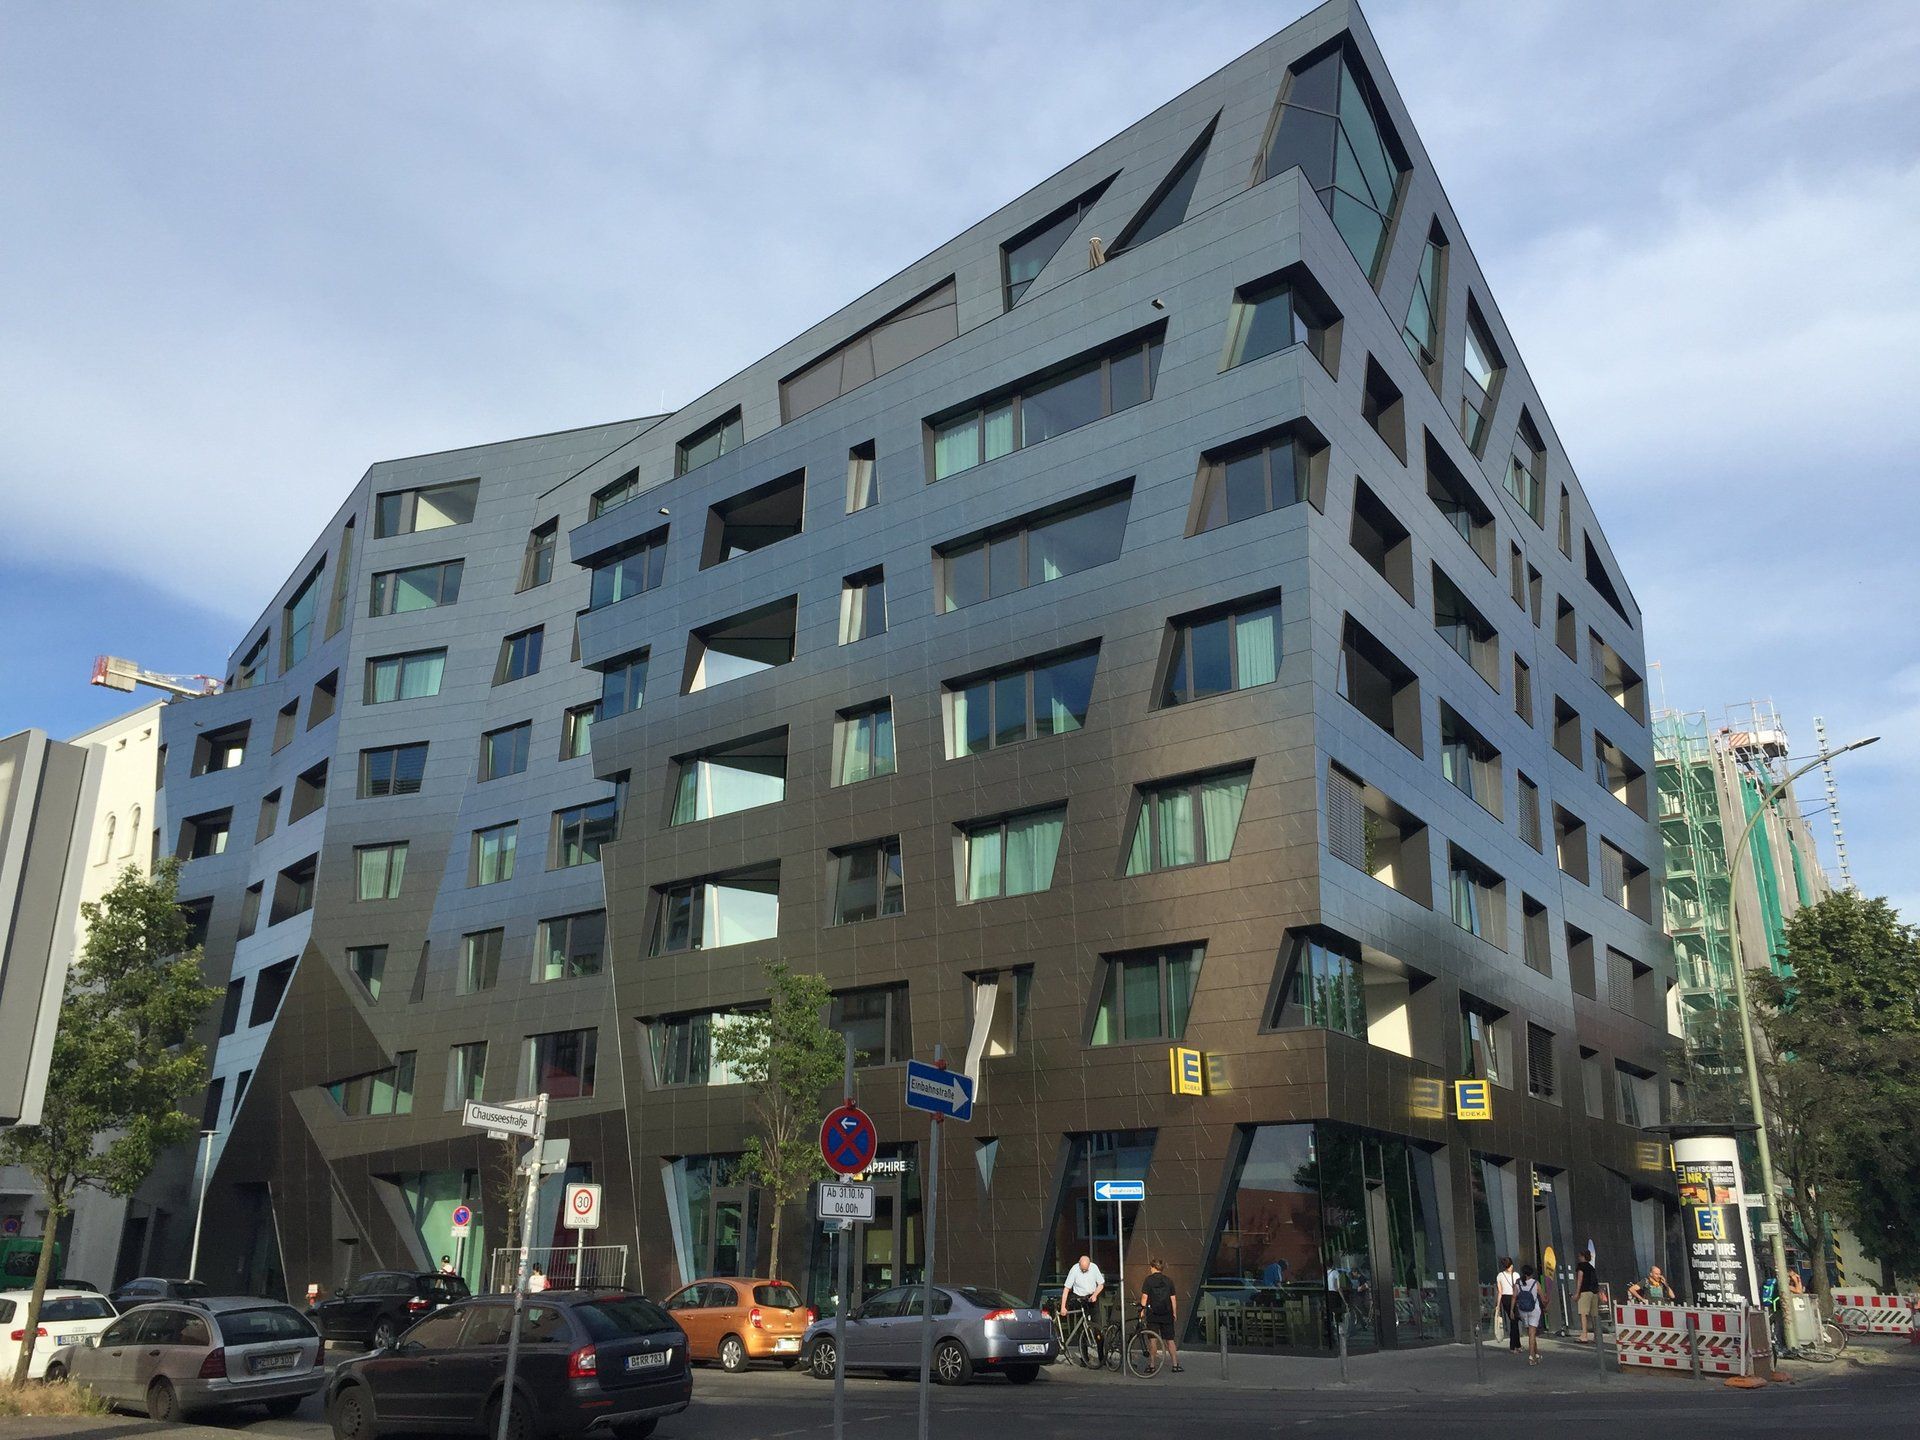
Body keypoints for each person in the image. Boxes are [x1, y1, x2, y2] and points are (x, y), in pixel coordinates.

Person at [1061, 1254, 1106, 1365]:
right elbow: (1066, 1289)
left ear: (1089, 1264)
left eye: (1086, 1269)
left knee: (1097, 1327)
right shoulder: (1074, 1269)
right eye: (1083, 1269)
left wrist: (1095, 1294)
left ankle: (1102, 1357)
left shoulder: (1094, 1267)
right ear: (1079, 1264)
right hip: (1079, 1298)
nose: (1084, 1270)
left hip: (1092, 1297)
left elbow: (1101, 1284)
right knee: (1082, 1329)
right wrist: (1063, 1306)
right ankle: (1084, 1358)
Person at [1139, 1259, 1181, 1373]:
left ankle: (1152, 1365)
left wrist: (1141, 1312)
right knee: (1170, 1340)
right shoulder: (1168, 1280)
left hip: (1153, 1314)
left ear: (1153, 1267)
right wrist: (1174, 1313)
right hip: (1167, 1314)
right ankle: (1175, 1364)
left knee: (1153, 1340)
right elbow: (1173, 1299)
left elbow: (1144, 1297)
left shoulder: (1148, 1280)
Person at [1516, 1263, 1544, 1365]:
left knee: (1530, 1333)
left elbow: (1514, 1297)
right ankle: (1531, 1356)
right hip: (1534, 1310)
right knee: (1532, 1334)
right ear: (1531, 1273)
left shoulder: (1518, 1283)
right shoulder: (1535, 1283)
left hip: (1523, 1310)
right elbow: (1543, 1298)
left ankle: (1537, 1354)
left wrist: (1511, 1310)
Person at [1495, 1257, 1520, 1352]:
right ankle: (1513, 1346)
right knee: (1514, 1322)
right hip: (1514, 1298)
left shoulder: (1500, 1275)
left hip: (1505, 1299)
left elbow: (1500, 1292)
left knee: (1514, 1322)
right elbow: (1518, 1289)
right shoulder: (1516, 1275)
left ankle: (1517, 1345)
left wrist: (1498, 1305)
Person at [1574, 1251, 1599, 1342]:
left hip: (1585, 1291)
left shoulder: (1581, 1266)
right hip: (1594, 1292)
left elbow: (1580, 1279)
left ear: (1582, 1256)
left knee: (1583, 1314)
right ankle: (1597, 1336)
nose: (1578, 1257)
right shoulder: (1591, 1267)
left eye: (1579, 1256)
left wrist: (1577, 1293)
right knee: (1594, 1315)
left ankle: (1584, 1335)